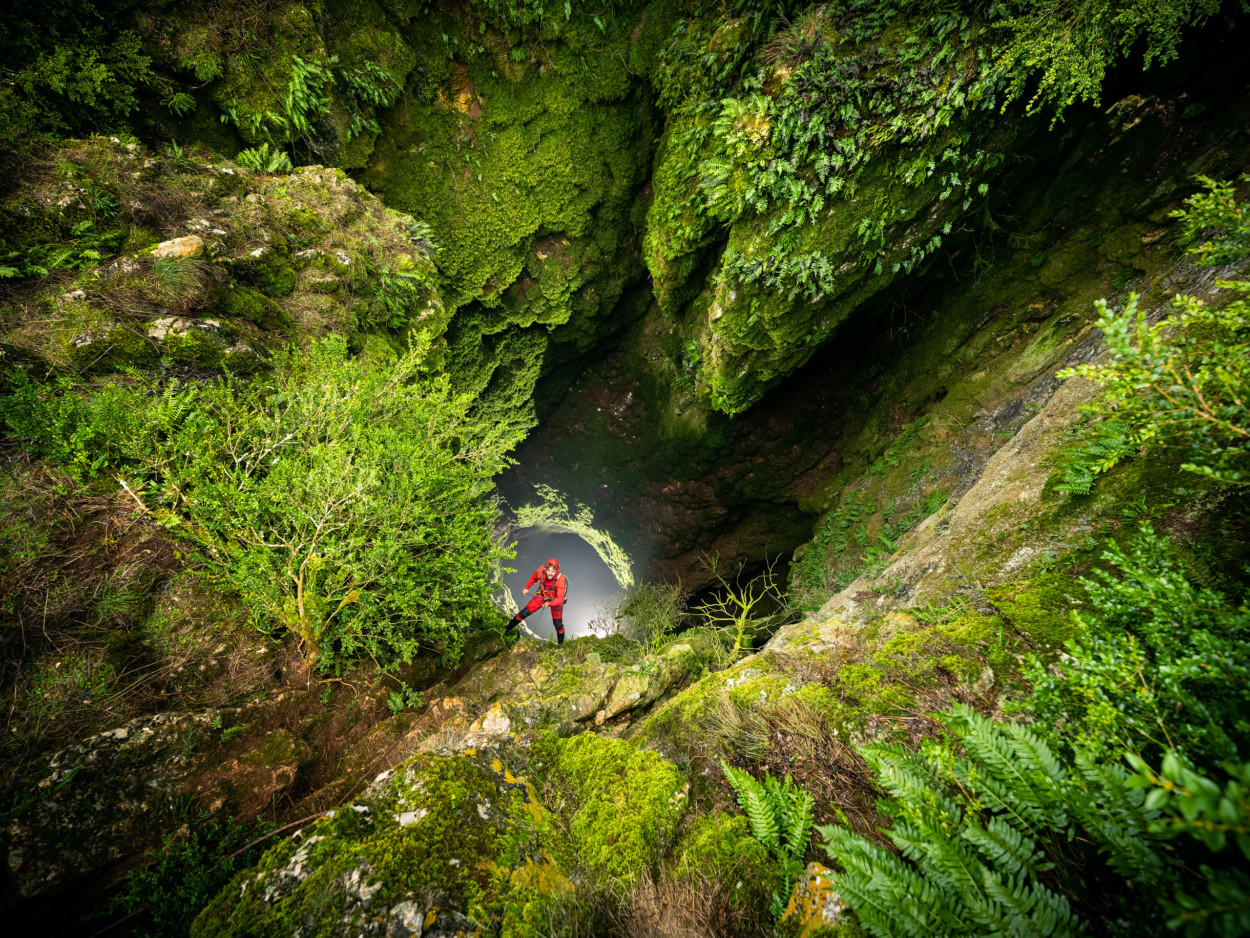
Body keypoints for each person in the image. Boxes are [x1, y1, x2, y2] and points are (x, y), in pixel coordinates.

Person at [507, 557, 567, 644]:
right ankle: (506, 630)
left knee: (558, 624)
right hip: (543, 595)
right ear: (545, 569)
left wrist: (549, 603)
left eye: (553, 571)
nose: (550, 573)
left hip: (555, 600)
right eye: (548, 571)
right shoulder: (541, 571)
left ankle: (561, 645)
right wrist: (527, 588)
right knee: (524, 613)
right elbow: (533, 578)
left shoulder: (561, 579)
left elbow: (560, 600)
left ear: (556, 571)